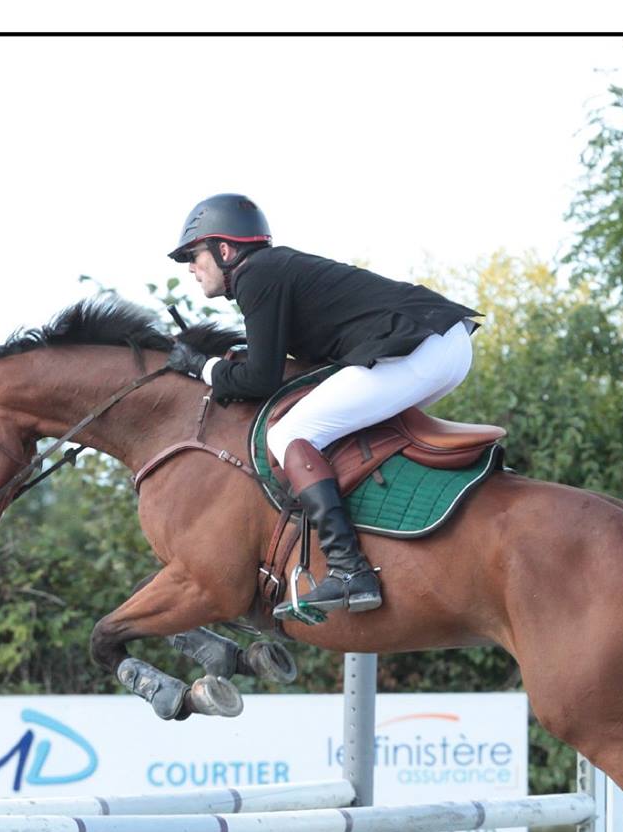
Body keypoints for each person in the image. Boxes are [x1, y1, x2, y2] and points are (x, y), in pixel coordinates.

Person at [162, 194, 480, 619]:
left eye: (193, 254)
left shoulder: (257, 274)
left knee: (288, 434)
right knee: (335, 433)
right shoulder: (272, 271)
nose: (190, 266)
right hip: (443, 345)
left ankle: (350, 570)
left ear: (224, 249)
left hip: (421, 349)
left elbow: (261, 379)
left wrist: (204, 368)